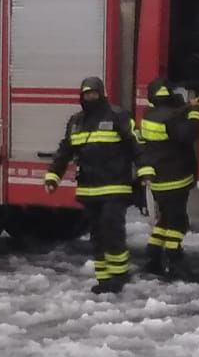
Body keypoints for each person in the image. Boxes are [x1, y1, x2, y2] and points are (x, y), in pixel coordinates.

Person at [45, 76, 138, 295]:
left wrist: (144, 171)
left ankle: (119, 275)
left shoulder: (118, 116)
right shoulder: (76, 122)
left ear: (102, 94)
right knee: (97, 235)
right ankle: (104, 278)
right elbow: (64, 152)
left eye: (94, 94)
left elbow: (136, 145)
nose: (90, 98)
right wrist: (53, 176)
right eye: (86, 95)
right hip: (89, 189)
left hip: (115, 187)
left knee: (112, 228)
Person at [136, 82, 199, 280]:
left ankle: (153, 258)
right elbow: (188, 133)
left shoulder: (149, 115)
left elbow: (170, 115)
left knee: (164, 219)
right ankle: (175, 260)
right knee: (178, 223)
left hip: (159, 180)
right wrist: (196, 112)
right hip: (176, 180)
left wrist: (186, 107)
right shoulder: (171, 118)